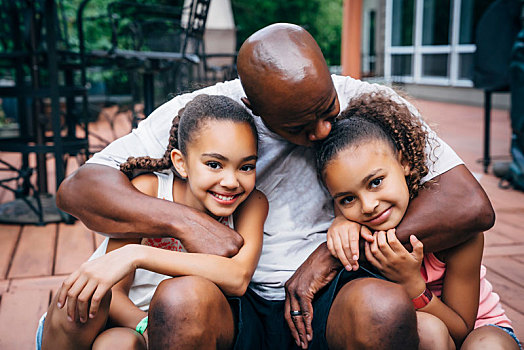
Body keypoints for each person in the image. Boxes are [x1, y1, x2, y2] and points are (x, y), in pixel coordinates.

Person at [54, 23, 495, 349]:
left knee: (382, 308)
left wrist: (330, 256)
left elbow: (468, 204)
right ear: (254, 108)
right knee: (181, 300)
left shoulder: (363, 102)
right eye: (300, 126)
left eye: (327, 108)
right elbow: (80, 188)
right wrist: (186, 222)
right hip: (229, 301)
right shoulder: (209, 115)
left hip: (335, 293)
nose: (324, 131)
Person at [38, 95, 268, 349]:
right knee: (116, 344)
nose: (231, 181)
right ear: (181, 163)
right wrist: (145, 325)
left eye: (246, 167)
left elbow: (238, 277)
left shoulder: (252, 204)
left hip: (190, 320)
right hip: (120, 320)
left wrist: (137, 255)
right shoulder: (150, 191)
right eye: (214, 164)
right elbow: (113, 293)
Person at [317, 91, 521, 350]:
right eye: (347, 199)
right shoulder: (352, 230)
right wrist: (340, 223)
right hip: (413, 334)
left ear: (404, 163)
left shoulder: (456, 233)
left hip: (476, 328)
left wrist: (412, 283)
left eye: (376, 182)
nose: (368, 206)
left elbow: (461, 331)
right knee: (428, 331)